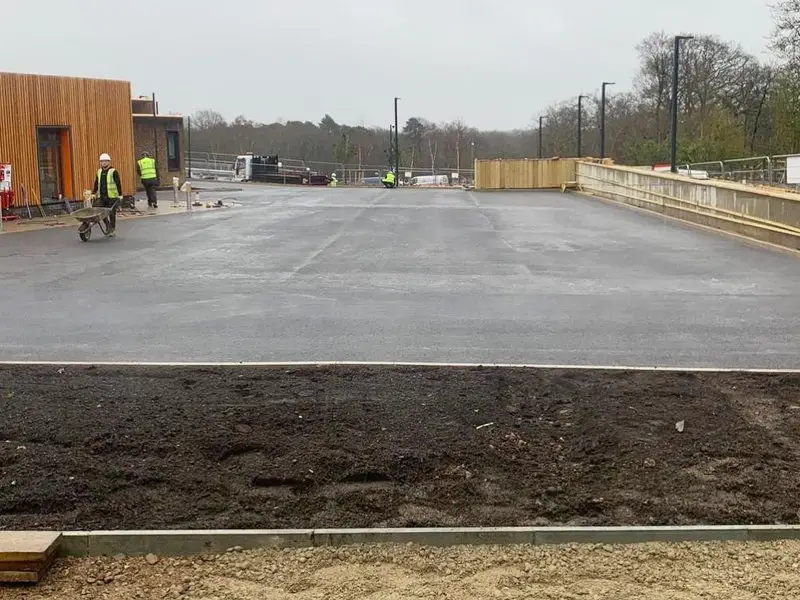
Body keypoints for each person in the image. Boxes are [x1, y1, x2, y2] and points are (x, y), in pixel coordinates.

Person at [92, 153, 122, 237]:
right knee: (101, 213)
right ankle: (108, 226)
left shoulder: (113, 171)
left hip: (112, 197)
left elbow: (118, 183)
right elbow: (96, 183)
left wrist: (120, 194)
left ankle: (112, 229)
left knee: (112, 213)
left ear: (109, 162)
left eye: (105, 161)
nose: (104, 163)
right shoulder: (99, 172)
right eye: (102, 161)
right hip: (102, 196)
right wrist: (93, 193)